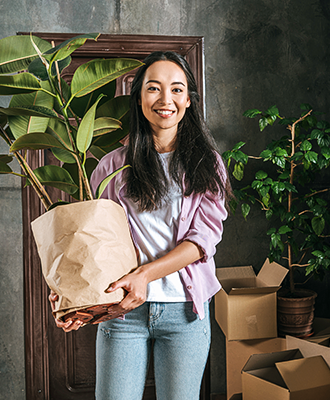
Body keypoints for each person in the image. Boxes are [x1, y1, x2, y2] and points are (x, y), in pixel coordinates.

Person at [50, 51, 230, 400]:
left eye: (177, 90)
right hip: (123, 313)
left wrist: (145, 275)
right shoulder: (111, 166)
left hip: (185, 313)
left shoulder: (207, 165)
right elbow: (94, 245)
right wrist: (72, 298)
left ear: (189, 100)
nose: (166, 100)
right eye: (153, 88)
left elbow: (202, 241)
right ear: (138, 97)